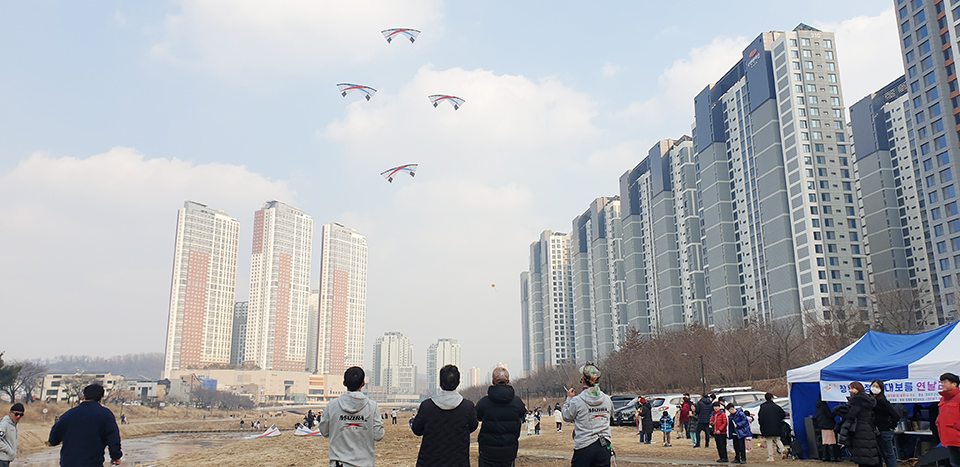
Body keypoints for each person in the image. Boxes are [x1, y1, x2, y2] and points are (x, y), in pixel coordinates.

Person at [412, 365, 478, 467]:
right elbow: (473, 426)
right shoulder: (467, 407)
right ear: (458, 383)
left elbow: (417, 429)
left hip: (429, 461)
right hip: (459, 461)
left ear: (440, 384)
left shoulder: (427, 406)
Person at [318, 367, 385, 467]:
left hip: (339, 463)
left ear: (344, 383)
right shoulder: (372, 407)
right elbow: (378, 435)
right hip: (365, 464)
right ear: (363, 384)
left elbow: (324, 431)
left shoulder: (332, 406)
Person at [48, 384, 122, 466]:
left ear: (83, 396)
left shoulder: (69, 414)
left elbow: (54, 437)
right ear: (101, 399)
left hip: (68, 463)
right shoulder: (106, 414)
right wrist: (116, 456)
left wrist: (52, 441)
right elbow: (113, 438)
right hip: (93, 463)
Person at [562, 363, 613, 467]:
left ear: (584, 381)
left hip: (584, 446)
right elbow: (610, 414)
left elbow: (566, 416)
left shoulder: (577, 400)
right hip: (604, 446)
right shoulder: (607, 399)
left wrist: (569, 399)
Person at [476, 367, 526, 467]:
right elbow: (523, 415)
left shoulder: (483, 402)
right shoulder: (517, 402)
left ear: (492, 381)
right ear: (508, 381)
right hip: (509, 450)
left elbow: (477, 417)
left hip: (487, 452)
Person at [843, 382, 879, 467]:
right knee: (869, 453)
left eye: (852, 388)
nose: (850, 391)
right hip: (869, 428)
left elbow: (852, 415)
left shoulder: (857, 400)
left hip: (859, 429)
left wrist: (844, 414)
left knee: (862, 454)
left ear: (858, 389)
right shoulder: (869, 399)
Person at [870, 380, 899, 467]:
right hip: (875, 430)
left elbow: (895, 416)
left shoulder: (883, 401)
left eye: (877, 387)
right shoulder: (871, 400)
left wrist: (891, 426)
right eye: (873, 386)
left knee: (888, 454)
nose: (874, 389)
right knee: (878, 453)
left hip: (884, 430)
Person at [938, 372, 960, 467]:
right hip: (949, 438)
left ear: (954, 384)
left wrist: (957, 426)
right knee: (954, 463)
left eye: (945, 382)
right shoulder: (943, 399)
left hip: (957, 435)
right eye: (941, 382)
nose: (942, 384)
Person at [758, 393, 785, 462]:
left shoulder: (763, 407)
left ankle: (771, 457)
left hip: (766, 427)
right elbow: (783, 414)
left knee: (769, 442)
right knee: (777, 439)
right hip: (776, 426)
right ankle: (783, 450)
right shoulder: (776, 407)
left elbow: (760, 418)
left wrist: (761, 425)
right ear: (772, 398)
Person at [815, 397, 839, 462]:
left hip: (822, 425)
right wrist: (835, 413)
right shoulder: (824, 406)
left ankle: (824, 457)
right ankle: (832, 457)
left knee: (825, 441)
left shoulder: (818, 406)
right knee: (831, 440)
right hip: (828, 425)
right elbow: (829, 415)